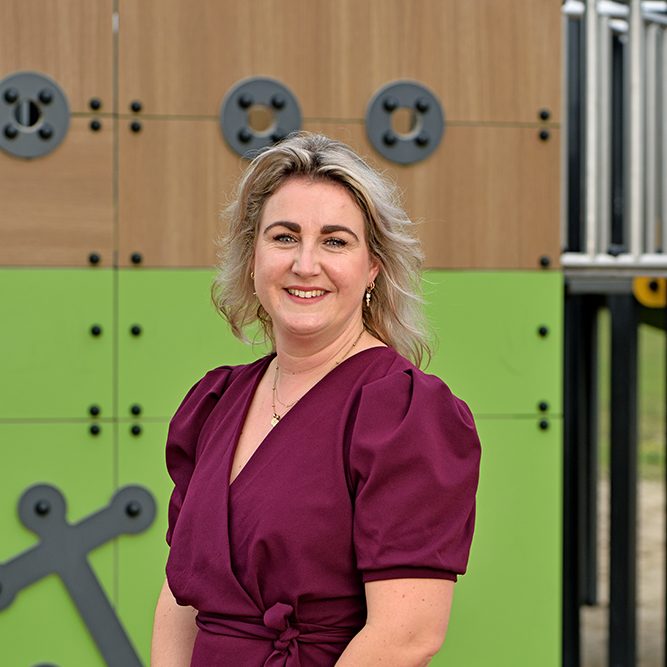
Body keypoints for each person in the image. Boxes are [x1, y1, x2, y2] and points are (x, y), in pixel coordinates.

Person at [151, 132, 481, 666]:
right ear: (253, 257)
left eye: (335, 241)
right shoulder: (215, 403)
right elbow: (182, 594)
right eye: (284, 237)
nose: (305, 265)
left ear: (373, 267)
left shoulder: (404, 413)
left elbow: (408, 634)